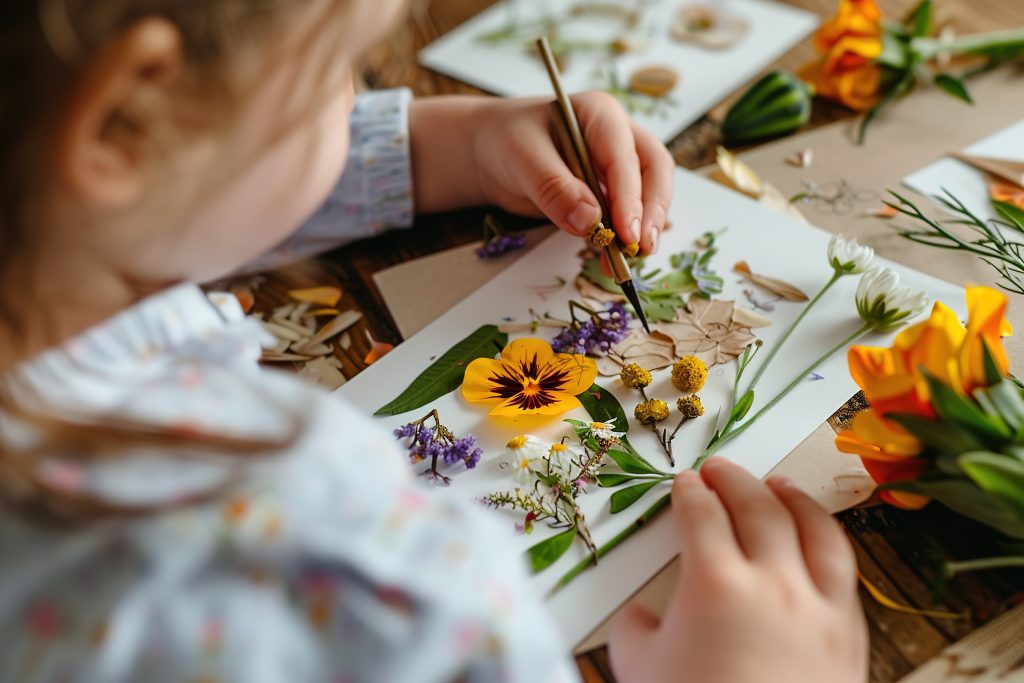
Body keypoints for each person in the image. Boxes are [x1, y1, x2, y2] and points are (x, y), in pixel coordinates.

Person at [0, 0, 868, 681]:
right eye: (337, 73)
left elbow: (183, 183)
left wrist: (435, 145)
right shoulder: (306, 534)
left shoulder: (47, 228)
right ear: (125, 122)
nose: (354, 101)